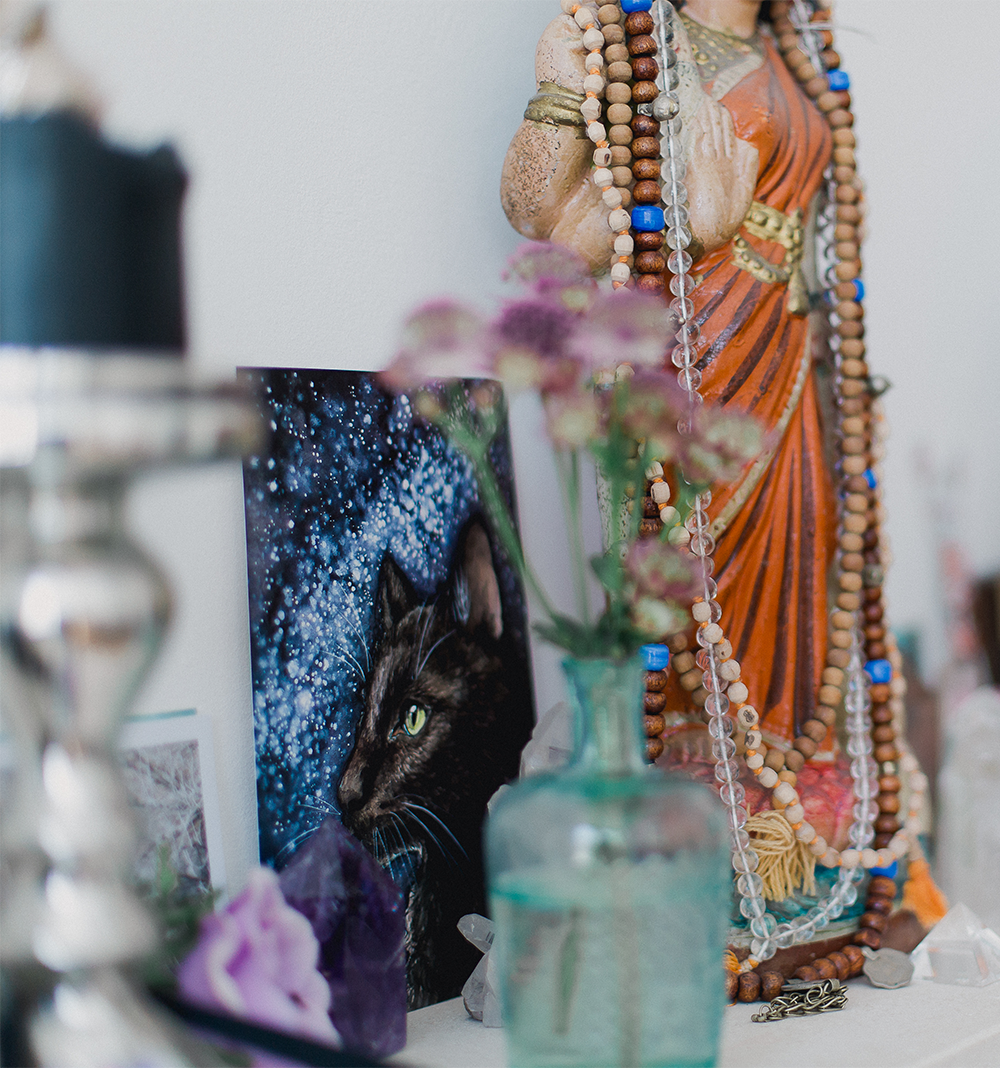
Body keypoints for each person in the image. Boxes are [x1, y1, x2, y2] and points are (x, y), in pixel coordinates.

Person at [501, 0, 839, 756]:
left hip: (786, 348)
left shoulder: (789, 50)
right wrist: (560, 82)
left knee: (800, 544)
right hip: (698, 341)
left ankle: (772, 754)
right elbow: (547, 224)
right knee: (686, 547)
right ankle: (690, 744)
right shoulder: (645, 40)